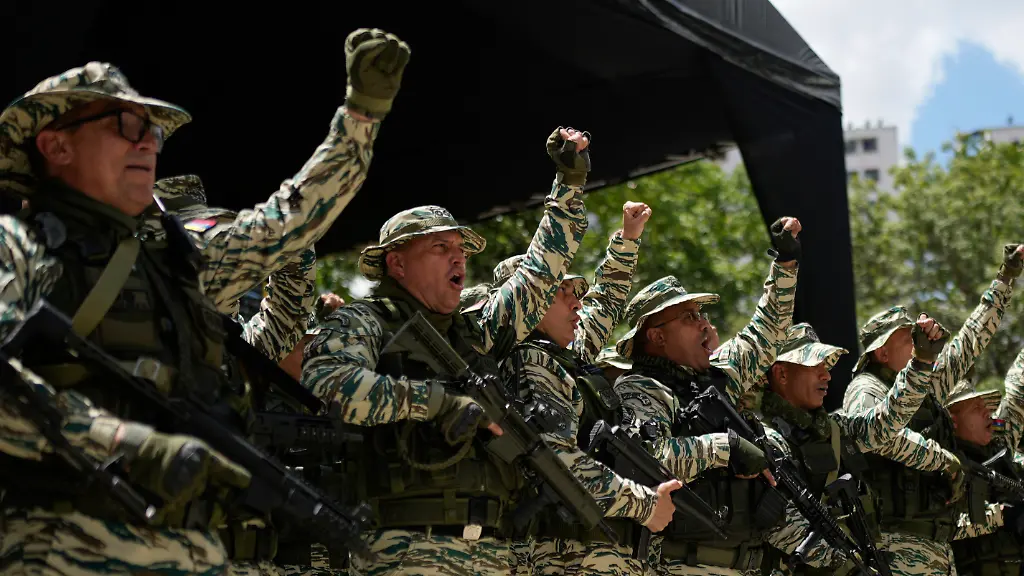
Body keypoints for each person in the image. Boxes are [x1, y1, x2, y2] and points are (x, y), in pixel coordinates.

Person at [0, 27, 409, 575]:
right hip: (64, 547)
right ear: (55, 144)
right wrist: (121, 441)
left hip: (194, 550)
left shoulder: (180, 263)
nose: (147, 142)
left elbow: (285, 223)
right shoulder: (17, 245)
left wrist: (361, 116)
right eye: (126, 125)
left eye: (152, 132)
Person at [303, 127, 593, 575]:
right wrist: (439, 404)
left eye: (460, 248)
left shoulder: (475, 333)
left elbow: (539, 274)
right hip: (403, 552)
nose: (458, 258)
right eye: (440, 247)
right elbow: (331, 383)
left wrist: (569, 185)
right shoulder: (364, 321)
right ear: (396, 262)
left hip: (491, 555)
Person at [496, 202, 684, 574]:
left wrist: (627, 240)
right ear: (527, 301)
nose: (576, 302)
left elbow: (605, 303)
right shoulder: (530, 361)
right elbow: (558, 460)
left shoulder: (566, 354)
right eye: (560, 292)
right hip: (564, 553)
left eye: (574, 292)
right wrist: (645, 505)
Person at [613, 217, 803, 576]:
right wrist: (725, 448)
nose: (703, 323)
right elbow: (646, 459)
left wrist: (785, 263)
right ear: (656, 336)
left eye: (701, 313)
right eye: (689, 316)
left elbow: (768, 332)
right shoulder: (640, 389)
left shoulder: (718, 378)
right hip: (679, 564)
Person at [842, 245, 1023, 576]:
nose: (916, 341)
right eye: (906, 337)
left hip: (937, 549)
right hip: (892, 547)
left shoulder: (926, 383)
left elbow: (969, 342)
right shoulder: (865, 389)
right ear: (880, 353)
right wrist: (945, 461)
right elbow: (878, 437)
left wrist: (1005, 278)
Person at [755, 321, 959, 574]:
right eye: (814, 365)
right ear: (781, 374)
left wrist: (921, 363)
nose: (826, 375)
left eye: (826, 366)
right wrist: (849, 565)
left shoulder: (834, 430)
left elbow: (886, 421)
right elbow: (780, 524)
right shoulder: (762, 439)